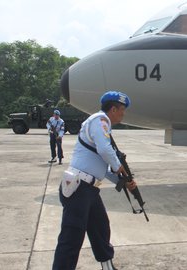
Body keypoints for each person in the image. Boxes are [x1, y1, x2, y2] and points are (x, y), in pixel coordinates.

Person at [52, 91, 137, 270]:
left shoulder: (102, 126)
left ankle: (107, 267)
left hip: (89, 189)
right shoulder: (100, 120)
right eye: (122, 110)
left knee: (101, 229)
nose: (123, 114)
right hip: (79, 188)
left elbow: (102, 168)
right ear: (113, 109)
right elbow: (106, 151)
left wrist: (122, 182)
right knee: (72, 237)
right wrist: (119, 167)